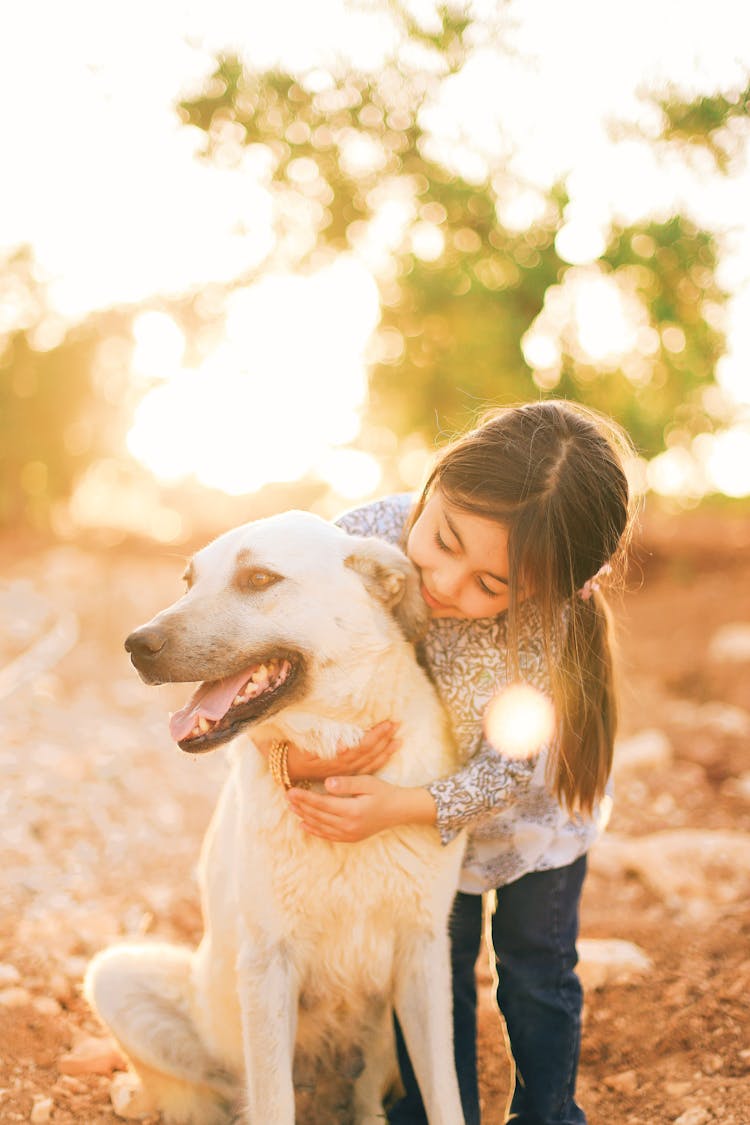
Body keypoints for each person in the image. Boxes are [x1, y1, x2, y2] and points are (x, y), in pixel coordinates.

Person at [273, 399, 637, 1125]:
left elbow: (505, 776)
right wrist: (294, 757)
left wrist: (394, 807)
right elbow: (288, 662)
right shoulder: (360, 541)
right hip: (425, 829)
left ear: (546, 591)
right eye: (443, 538)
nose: (443, 582)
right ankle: (442, 1111)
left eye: (491, 586)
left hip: (529, 824)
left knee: (536, 968)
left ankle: (548, 1111)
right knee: (433, 967)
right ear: (440, 475)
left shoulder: (540, 634)